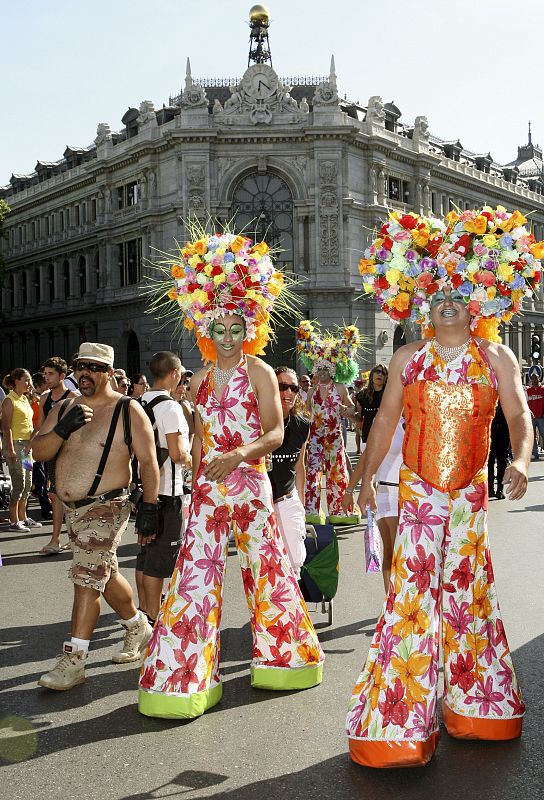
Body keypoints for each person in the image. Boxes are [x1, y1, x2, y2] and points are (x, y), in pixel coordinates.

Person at [349, 205, 539, 767]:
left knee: (467, 594)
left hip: (469, 501)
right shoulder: (408, 357)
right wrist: (364, 478)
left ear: (479, 300)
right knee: (410, 596)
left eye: (460, 292)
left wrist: (523, 460)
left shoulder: (495, 356)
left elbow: (518, 417)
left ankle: (475, 705)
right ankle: (398, 721)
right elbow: (384, 422)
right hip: (419, 496)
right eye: (438, 296)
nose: (449, 302)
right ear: (422, 304)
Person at [139, 226, 324, 719]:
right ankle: (184, 678)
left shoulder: (262, 371)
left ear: (250, 329)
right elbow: (199, 439)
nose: (226, 337)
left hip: (251, 485)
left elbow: (277, 434)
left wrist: (238, 456)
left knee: (267, 572)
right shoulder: (198, 380)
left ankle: (285, 659)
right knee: (195, 575)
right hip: (207, 490)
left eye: (235, 329)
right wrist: (196, 474)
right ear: (206, 329)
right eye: (218, 329)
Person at [33, 342, 160, 691]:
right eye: (79, 366)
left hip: (106, 506)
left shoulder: (127, 409)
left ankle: (74, 659)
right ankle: (138, 625)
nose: (84, 373)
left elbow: (149, 462)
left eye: (92, 367)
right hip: (72, 510)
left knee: (86, 578)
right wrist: (62, 429)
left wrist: (150, 507)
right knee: (105, 571)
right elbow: (39, 450)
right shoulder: (66, 407)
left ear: (107, 372)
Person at [135, 351, 191, 623]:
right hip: (168, 489)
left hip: (145, 489)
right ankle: (154, 617)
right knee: (159, 558)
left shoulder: (138, 402)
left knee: (144, 552)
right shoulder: (170, 407)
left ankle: (143, 610)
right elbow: (177, 453)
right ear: (174, 373)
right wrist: (193, 459)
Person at [296, 320, 361, 525]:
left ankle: (338, 510)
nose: (322, 373)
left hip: (334, 437)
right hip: (315, 436)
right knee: (313, 472)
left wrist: (347, 411)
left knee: (337, 471)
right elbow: (306, 411)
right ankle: (312, 510)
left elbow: (353, 411)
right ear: (316, 372)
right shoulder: (313, 391)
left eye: (326, 370)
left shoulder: (340, 388)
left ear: (332, 371)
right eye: (320, 370)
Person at [343, 417, 404, 590]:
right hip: (388, 492)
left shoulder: (423, 415)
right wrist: (350, 490)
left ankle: (396, 603)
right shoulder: (387, 419)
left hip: (416, 495)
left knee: (403, 553)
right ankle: (391, 603)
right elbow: (367, 456)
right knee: (393, 551)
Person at [268, 366, 310, 579]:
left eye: (293, 388)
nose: (289, 393)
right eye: (282, 387)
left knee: (293, 566)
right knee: (266, 568)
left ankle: (293, 611)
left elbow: (299, 467)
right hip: (260, 506)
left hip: (287, 502)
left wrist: (301, 506)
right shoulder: (256, 422)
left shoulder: (302, 425)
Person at [35, 357, 79, 554]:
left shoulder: (74, 397)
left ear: (62, 376)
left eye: (50, 374)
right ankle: (55, 540)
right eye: (45, 374)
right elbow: (41, 428)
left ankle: (74, 536)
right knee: (54, 495)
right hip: (52, 453)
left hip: (72, 453)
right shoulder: (44, 398)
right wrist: (32, 447)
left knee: (71, 496)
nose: (46, 377)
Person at [1, 369, 38, 532]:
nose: (29, 383)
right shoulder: (9, 400)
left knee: (28, 483)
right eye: (26, 380)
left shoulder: (24, 399)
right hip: (16, 445)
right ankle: (14, 519)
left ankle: (23, 516)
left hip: (27, 447)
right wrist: (10, 449)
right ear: (17, 381)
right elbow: (6, 426)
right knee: (19, 482)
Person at [30, 373, 52, 522]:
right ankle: (42, 509)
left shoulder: (40, 401)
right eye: (45, 382)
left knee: (41, 477)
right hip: (28, 445)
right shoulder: (29, 402)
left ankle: (45, 506)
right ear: (38, 386)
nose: (47, 384)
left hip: (40, 443)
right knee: (32, 478)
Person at [354, 365, 388, 454]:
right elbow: (358, 418)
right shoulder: (362, 395)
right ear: (372, 375)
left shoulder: (390, 394)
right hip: (368, 435)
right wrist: (349, 413)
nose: (380, 374)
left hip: (387, 437)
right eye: (377, 372)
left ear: (386, 378)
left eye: (383, 373)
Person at [488, 402, 510, 499]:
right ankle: (494, 489)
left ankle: (496, 489)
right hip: (494, 433)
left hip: (499, 433)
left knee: (496, 462)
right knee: (495, 462)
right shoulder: (506, 399)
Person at [526, 375, 544, 460]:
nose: (534, 380)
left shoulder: (542, 390)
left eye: (535, 378)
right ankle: (534, 453)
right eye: (532, 378)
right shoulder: (528, 391)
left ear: (538, 379)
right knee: (532, 436)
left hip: (541, 417)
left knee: (543, 433)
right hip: (531, 418)